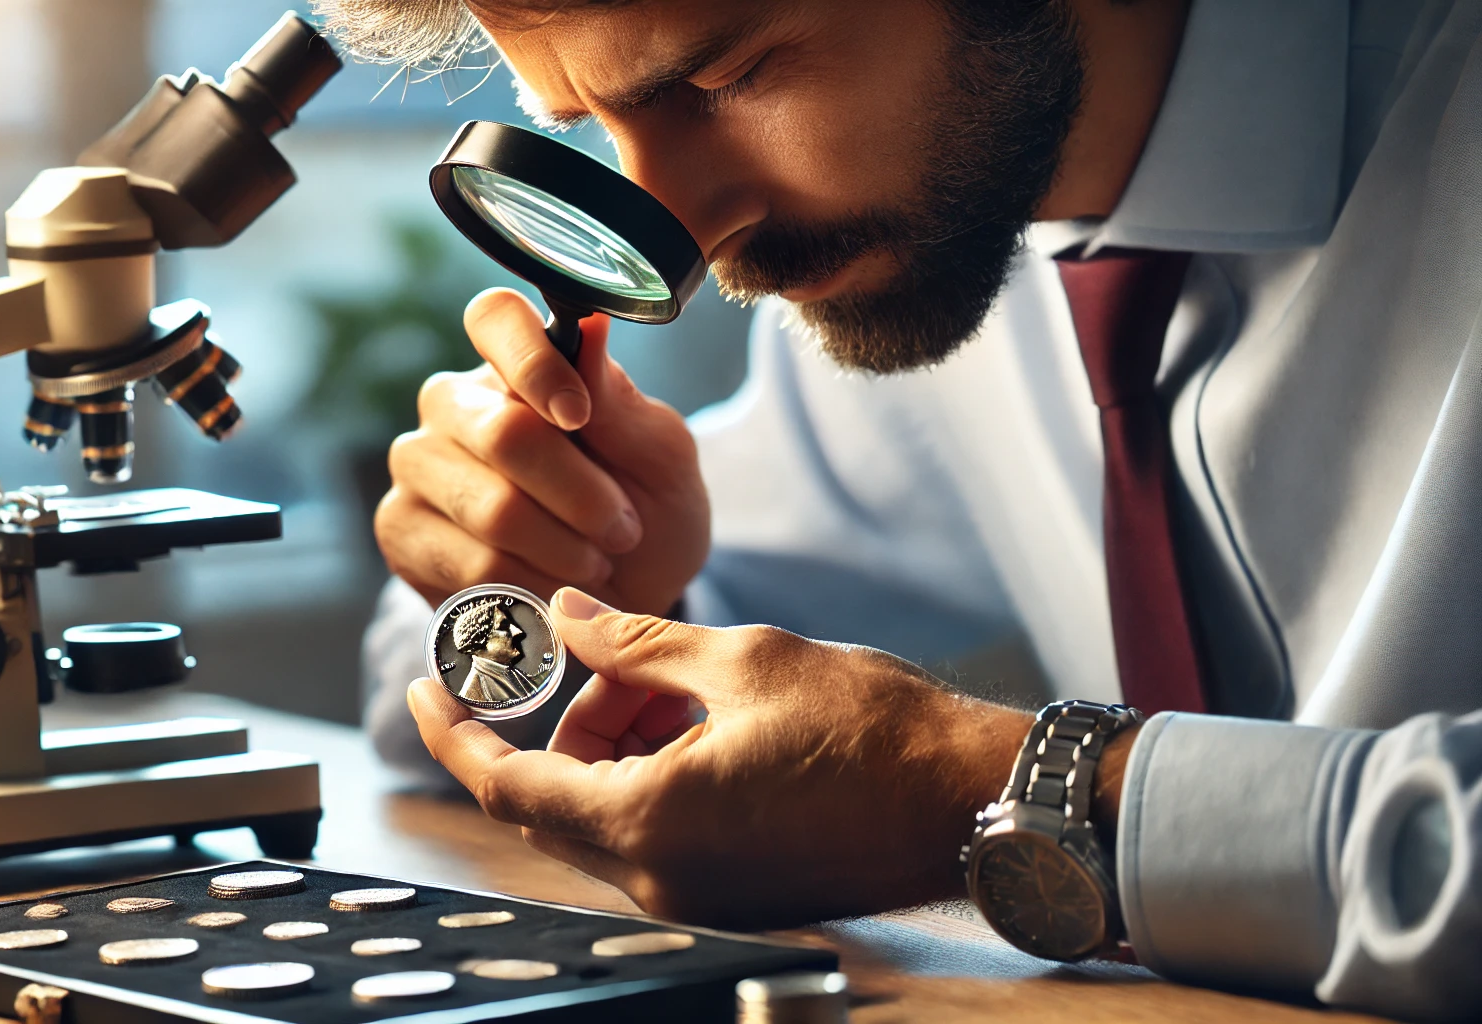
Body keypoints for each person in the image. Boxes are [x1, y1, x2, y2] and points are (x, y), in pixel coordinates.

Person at [322, 0, 1482, 1018]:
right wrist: (568, 575)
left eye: (727, 78)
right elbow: (428, 706)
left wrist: (989, 789)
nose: (696, 242)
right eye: (587, 125)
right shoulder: (934, 233)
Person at [448, 599, 539, 704]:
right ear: (480, 639)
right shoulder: (474, 693)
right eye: (504, 627)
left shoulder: (510, 672)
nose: (518, 632)